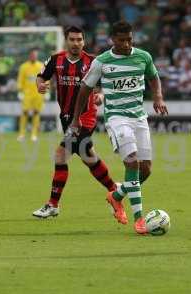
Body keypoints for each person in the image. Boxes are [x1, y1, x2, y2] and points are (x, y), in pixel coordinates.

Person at [68, 21, 168, 234]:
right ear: (112, 39)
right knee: (132, 162)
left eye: (129, 39)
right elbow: (85, 89)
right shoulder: (102, 62)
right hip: (117, 118)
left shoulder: (143, 56)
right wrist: (76, 119)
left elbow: (153, 77)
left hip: (139, 117)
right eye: (122, 40)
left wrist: (158, 97)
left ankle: (116, 195)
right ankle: (139, 219)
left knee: (146, 169)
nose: (126, 43)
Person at [32, 26, 117, 218]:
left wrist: (101, 95)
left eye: (79, 39)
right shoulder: (56, 59)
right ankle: (115, 189)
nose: (76, 43)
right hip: (66, 118)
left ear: (84, 41)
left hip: (85, 117)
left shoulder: (93, 61)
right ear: (66, 41)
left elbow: (105, 85)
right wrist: (40, 85)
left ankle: (53, 204)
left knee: (60, 155)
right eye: (72, 39)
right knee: (88, 157)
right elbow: (41, 76)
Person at [17, 48, 44, 142]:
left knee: (36, 113)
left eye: (35, 55)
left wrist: (47, 92)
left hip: (38, 94)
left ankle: (34, 134)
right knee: (25, 113)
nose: (34, 56)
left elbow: (45, 79)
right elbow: (20, 79)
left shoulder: (41, 66)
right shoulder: (23, 67)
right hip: (27, 94)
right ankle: (22, 134)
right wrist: (20, 91)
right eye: (32, 55)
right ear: (29, 56)